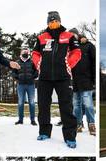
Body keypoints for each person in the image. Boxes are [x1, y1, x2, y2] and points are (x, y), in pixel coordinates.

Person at [32, 11, 81, 148]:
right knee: (43, 105)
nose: (53, 23)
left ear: (59, 21)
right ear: (47, 23)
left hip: (63, 77)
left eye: (56, 21)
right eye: (51, 21)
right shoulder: (41, 37)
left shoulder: (69, 36)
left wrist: (68, 65)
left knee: (66, 106)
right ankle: (44, 132)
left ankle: (70, 136)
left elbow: (77, 52)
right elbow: (35, 53)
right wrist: (39, 64)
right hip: (44, 77)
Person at [69, 28, 96, 136]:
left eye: (72, 35)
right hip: (74, 81)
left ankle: (91, 124)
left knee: (88, 104)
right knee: (76, 105)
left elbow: (94, 62)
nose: (71, 36)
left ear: (77, 35)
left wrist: (94, 79)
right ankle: (78, 124)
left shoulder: (88, 45)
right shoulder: (69, 48)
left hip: (86, 79)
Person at [12, 47, 37, 125]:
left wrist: (32, 77)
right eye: (24, 52)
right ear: (21, 53)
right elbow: (13, 72)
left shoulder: (33, 62)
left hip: (31, 85)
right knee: (20, 102)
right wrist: (18, 78)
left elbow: (37, 71)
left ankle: (32, 120)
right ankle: (20, 120)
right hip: (21, 85)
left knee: (32, 102)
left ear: (29, 53)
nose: (25, 53)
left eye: (27, 52)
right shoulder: (17, 62)